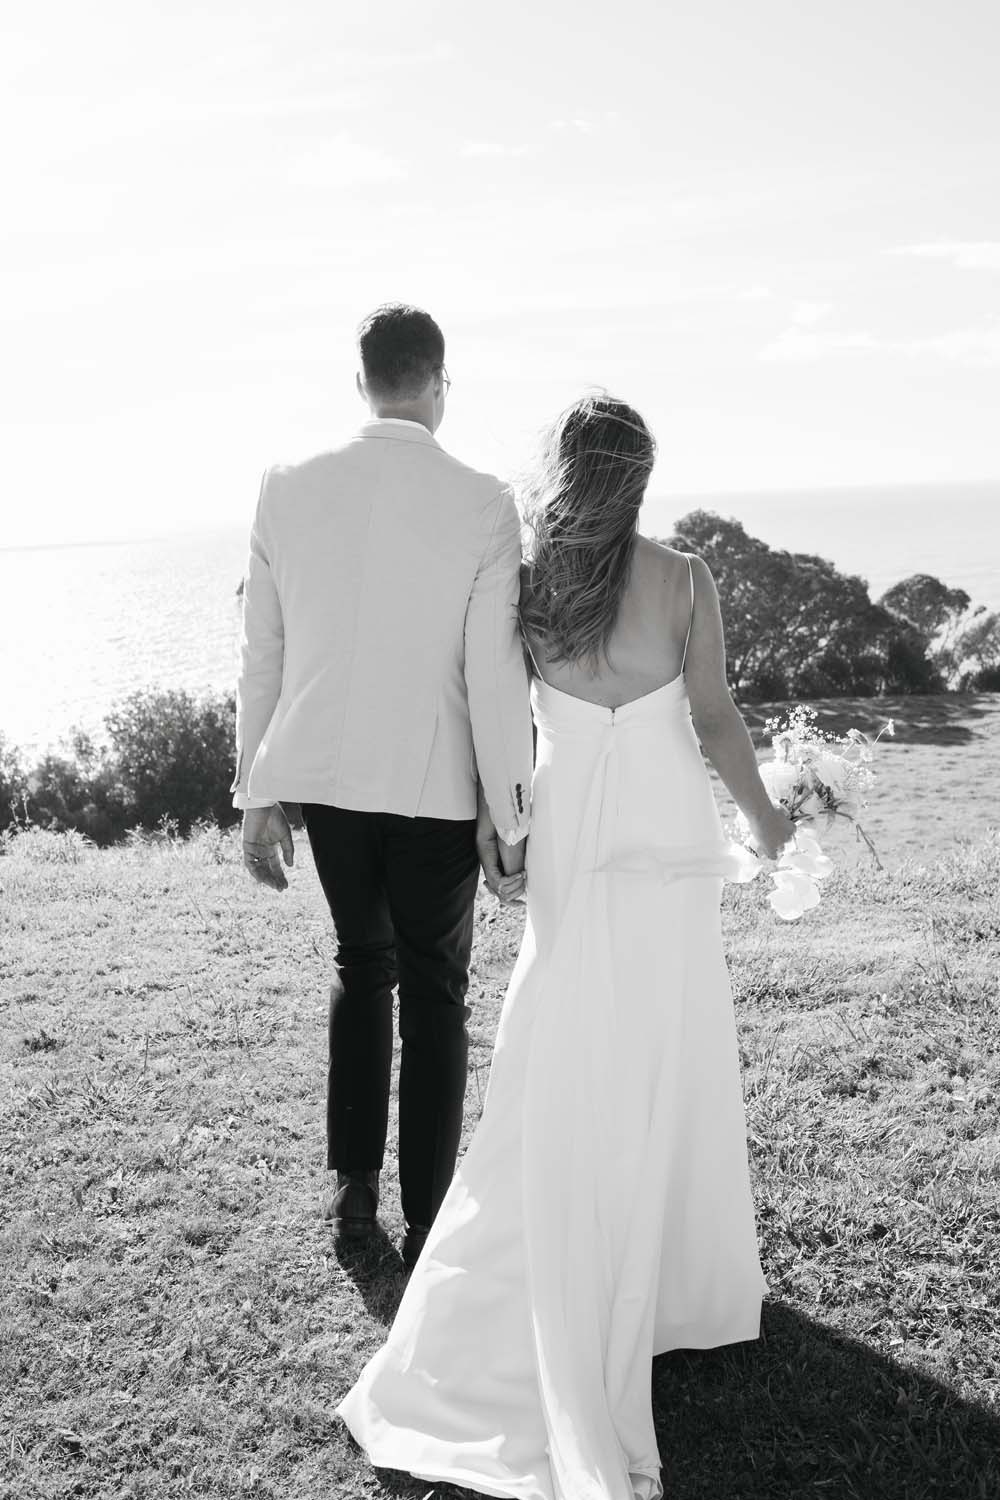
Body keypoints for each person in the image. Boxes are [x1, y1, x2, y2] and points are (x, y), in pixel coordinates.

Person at [336, 393, 795, 1500]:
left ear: (564, 474)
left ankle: (611, 1259)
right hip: (664, 841)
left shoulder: (530, 581)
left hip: (570, 843)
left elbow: (489, 707)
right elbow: (718, 719)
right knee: (663, 1041)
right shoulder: (684, 578)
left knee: (561, 1040)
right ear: (638, 475)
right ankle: (675, 1281)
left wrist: (503, 822)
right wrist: (769, 825)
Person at [231, 303, 534, 1269]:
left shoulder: (287, 486)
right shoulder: (485, 500)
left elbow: (262, 655)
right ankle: (430, 1209)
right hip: (434, 789)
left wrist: (258, 793)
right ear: (440, 382)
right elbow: (494, 674)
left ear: (360, 382)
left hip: (325, 783)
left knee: (363, 967)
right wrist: (509, 808)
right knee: (436, 991)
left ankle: (355, 1199)